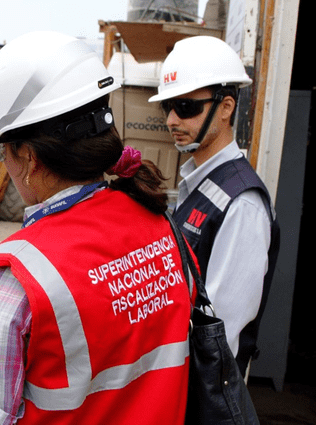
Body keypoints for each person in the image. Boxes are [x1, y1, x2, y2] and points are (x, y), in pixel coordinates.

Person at [0, 31, 195, 424]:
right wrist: (21, 254)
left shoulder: (12, 283)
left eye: (2, 152)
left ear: (29, 156)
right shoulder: (163, 225)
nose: (4, 162)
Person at [148, 35, 280, 379]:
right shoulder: (198, 182)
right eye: (168, 107)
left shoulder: (243, 204)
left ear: (226, 107)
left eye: (186, 107)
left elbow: (219, 332)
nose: (172, 120)